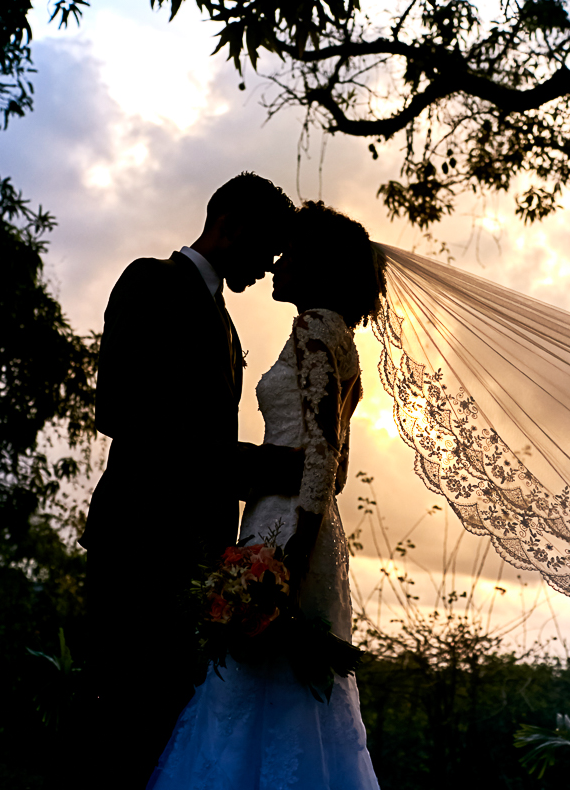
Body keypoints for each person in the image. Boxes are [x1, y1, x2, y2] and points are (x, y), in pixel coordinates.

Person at [149, 201, 387, 790]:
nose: (278, 261)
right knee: (286, 692)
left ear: (316, 263)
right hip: (299, 522)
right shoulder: (343, 337)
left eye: (291, 251)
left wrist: (284, 562)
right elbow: (335, 472)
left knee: (255, 684)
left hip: (286, 535)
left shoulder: (312, 329)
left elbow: (324, 461)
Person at [82, 173, 302, 790]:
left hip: (200, 561)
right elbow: (120, 411)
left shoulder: (228, 326)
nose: (269, 266)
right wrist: (263, 466)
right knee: (118, 721)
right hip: (137, 543)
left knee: (167, 729)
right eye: (265, 247)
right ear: (227, 222)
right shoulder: (150, 280)